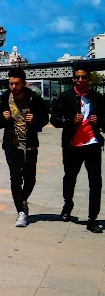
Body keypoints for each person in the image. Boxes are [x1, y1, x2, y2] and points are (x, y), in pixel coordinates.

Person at [0, 67, 49, 227]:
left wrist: (35, 119)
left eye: (17, 84)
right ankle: (21, 212)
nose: (14, 87)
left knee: (30, 179)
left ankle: (22, 200)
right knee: (16, 179)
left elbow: (45, 119)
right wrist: (2, 118)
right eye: (11, 84)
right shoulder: (3, 99)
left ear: (24, 83)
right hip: (12, 145)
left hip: (30, 145)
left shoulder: (34, 99)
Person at [50, 65, 104, 233]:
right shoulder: (66, 97)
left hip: (92, 145)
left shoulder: (98, 98)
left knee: (95, 182)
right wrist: (70, 120)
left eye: (83, 77)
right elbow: (55, 120)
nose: (80, 80)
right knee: (70, 178)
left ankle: (92, 219)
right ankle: (67, 206)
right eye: (77, 77)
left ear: (89, 79)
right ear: (73, 79)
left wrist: (99, 121)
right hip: (72, 146)